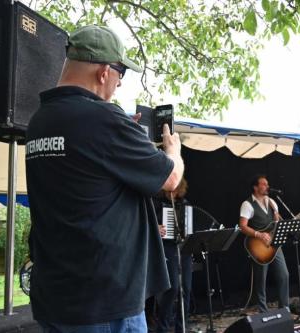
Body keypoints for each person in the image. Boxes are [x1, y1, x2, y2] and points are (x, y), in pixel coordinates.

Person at [25, 25, 184, 333]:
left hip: (55, 298)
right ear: (103, 72)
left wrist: (123, 132)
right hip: (104, 304)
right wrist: (173, 151)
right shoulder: (103, 119)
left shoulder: (39, 120)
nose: (120, 83)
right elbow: (171, 178)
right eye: (120, 73)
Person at [239, 175, 289, 313]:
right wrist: (259, 234)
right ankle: (263, 310)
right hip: (258, 246)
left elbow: (276, 222)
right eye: (264, 184)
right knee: (261, 279)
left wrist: (278, 223)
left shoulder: (273, 202)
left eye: (267, 184)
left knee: (284, 274)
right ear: (255, 187)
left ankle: (285, 308)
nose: (267, 186)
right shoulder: (247, 204)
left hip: (274, 244)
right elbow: (242, 226)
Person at [153, 178, 192, 333]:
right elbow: (147, 222)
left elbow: (188, 229)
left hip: (184, 250)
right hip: (167, 248)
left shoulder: (185, 203)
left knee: (186, 289)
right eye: (170, 189)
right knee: (173, 288)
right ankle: (162, 327)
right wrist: (155, 227)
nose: (172, 193)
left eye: (175, 190)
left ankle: (181, 327)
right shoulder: (156, 202)